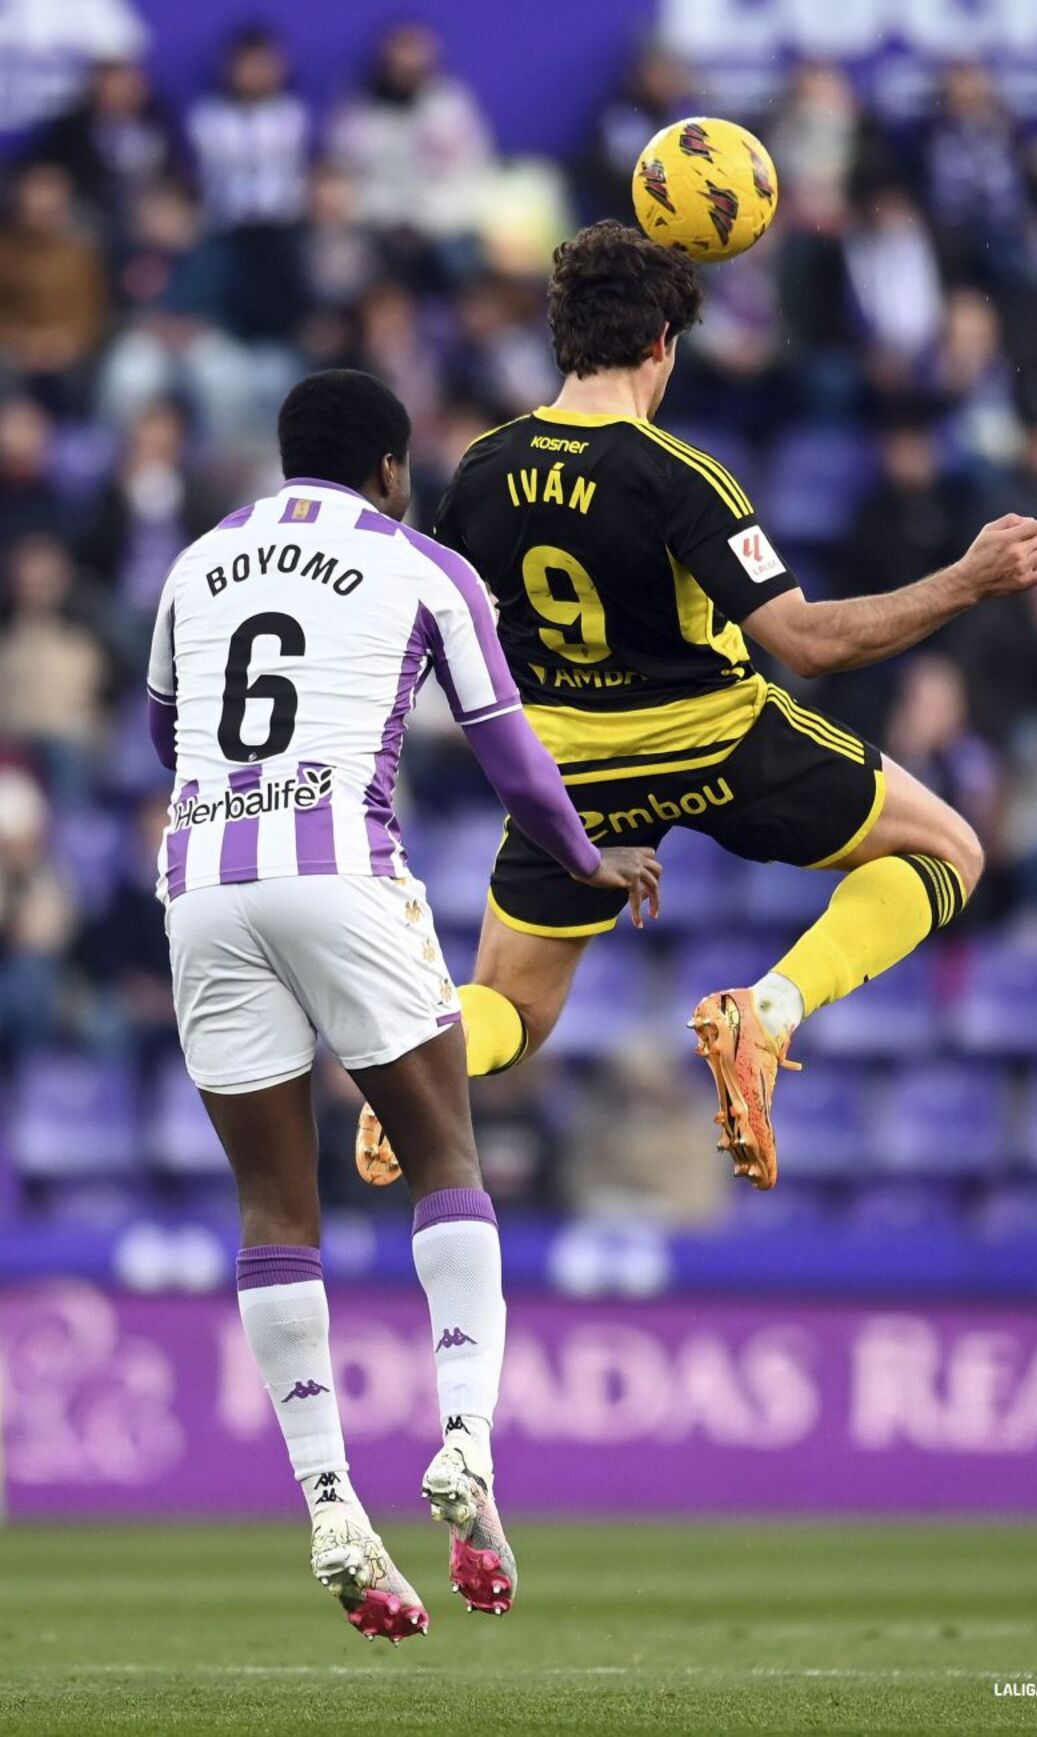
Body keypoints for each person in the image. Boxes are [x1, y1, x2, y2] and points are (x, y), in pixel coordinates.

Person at [357, 221, 1037, 1193]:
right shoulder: (681, 478)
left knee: (506, 1014)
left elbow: (441, 636)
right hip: (716, 746)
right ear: (660, 348)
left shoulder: (482, 469)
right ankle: (765, 1014)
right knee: (950, 852)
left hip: (566, 780)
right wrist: (965, 582)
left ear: (565, 341)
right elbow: (808, 642)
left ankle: (409, 1072)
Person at [146, 368, 659, 1639]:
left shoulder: (196, 562)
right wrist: (589, 859)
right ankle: (467, 1448)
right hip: (343, 875)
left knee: (274, 1208)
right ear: (388, 467)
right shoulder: (424, 562)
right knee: (446, 1157)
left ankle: (328, 1498)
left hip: (202, 882)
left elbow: (171, 736)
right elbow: (513, 758)